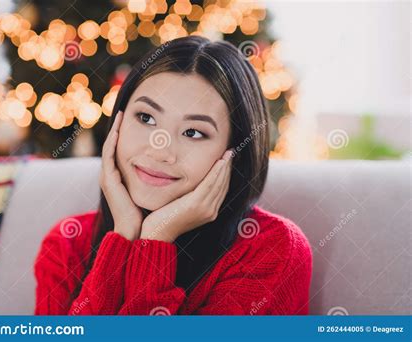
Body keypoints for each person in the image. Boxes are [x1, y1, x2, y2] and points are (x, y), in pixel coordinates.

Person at [34, 35, 313, 315]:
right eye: (146, 118)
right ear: (118, 120)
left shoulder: (273, 250)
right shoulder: (67, 244)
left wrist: (156, 239)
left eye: (193, 132)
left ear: (234, 153)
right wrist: (123, 237)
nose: (160, 151)